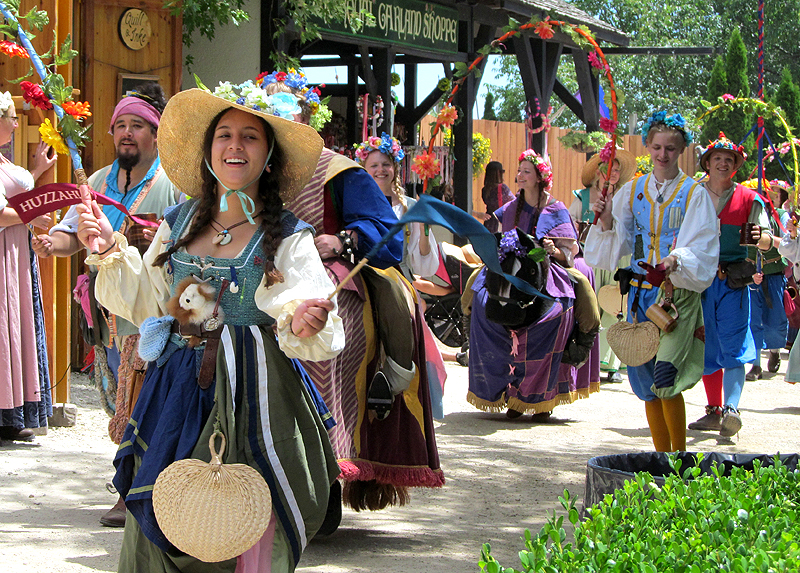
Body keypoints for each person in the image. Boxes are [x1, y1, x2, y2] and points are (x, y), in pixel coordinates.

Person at [74, 86, 343, 572]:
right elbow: (150, 297)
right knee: (164, 509)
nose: (234, 146)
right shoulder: (177, 224)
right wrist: (110, 248)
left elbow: (304, 306)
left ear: (269, 157)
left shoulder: (287, 235)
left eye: (250, 137)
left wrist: (306, 317)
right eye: (223, 134)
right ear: (208, 148)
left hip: (255, 401)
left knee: (242, 517)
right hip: (175, 393)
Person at [261, 71, 443, 526]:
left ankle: (328, 465)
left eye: (287, 111)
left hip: (325, 275)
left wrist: (340, 240)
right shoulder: (246, 166)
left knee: (329, 329)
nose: (278, 120)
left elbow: (389, 236)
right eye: (268, 111)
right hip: (258, 274)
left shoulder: (339, 171)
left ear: (306, 116)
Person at [32, 84, 182, 528]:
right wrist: (49, 243)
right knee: (115, 402)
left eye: (138, 125)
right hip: (104, 314)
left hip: (151, 310)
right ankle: (137, 483)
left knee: (142, 401)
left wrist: (148, 236)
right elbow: (68, 232)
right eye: (120, 126)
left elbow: (185, 241)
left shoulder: (173, 183)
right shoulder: (93, 182)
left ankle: (131, 491)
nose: (127, 134)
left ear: (155, 134)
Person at [585, 111, 719, 452]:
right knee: (645, 381)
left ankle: (679, 460)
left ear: (681, 149)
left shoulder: (694, 194)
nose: (663, 155)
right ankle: (662, 460)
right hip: (641, 294)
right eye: (657, 147)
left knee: (665, 377)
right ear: (647, 146)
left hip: (676, 296)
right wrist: (602, 218)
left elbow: (702, 244)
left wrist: (677, 259)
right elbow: (619, 241)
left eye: (670, 148)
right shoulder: (632, 192)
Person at [467, 149, 597, 418]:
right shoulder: (511, 207)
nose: (519, 176)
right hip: (513, 265)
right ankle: (502, 382)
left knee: (579, 288)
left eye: (526, 171)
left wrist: (551, 249)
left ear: (540, 177)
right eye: (519, 171)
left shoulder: (556, 209)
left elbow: (569, 253)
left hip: (547, 265)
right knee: (476, 289)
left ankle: (583, 341)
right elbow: (500, 237)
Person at [355, 133, 449, 417]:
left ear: (395, 167)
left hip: (397, 276)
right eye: (374, 165)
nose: (381, 170)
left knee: (397, 304)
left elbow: (424, 266)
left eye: (386, 164)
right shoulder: (357, 204)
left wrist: (424, 228)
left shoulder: (409, 207)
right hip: (360, 273)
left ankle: (395, 377)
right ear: (364, 168)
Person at [684, 134, 771, 437]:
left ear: (735, 166)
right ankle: (713, 411)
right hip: (699, 281)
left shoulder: (750, 199)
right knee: (706, 344)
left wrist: (761, 237)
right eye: (717, 158)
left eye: (728, 159)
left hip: (733, 282)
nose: (722, 163)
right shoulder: (691, 195)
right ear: (707, 163)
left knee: (734, 346)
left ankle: (732, 408)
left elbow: (768, 241)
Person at [0, 91, 55, 442]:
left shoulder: (3, 162)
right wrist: (34, 212)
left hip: (16, 254)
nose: (17, 124)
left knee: (15, 323)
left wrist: (37, 169)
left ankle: (13, 411)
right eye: (12, 118)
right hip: (4, 252)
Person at [569, 149, 636, 383]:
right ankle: (591, 357)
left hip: (619, 258)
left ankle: (613, 362)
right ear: (599, 171)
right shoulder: (582, 197)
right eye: (610, 169)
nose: (614, 173)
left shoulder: (626, 197)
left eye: (618, 170)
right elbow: (569, 225)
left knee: (616, 305)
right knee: (593, 306)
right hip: (592, 258)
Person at [745, 179, 789, 380]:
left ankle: (774, 350)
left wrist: (768, 241)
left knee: (775, 320)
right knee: (753, 320)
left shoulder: (779, 216)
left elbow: (789, 243)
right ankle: (755, 364)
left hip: (774, 274)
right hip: (751, 275)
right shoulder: (742, 217)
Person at [476, 161, 514, 232]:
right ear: (498, 174)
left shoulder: (485, 190)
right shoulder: (503, 188)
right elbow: (513, 202)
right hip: (500, 222)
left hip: (489, 224)